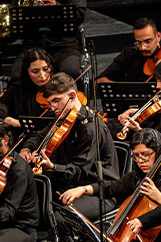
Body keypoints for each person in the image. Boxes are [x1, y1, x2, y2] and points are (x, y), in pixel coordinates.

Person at [20, 72, 120, 219]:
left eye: (56, 101)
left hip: (98, 191)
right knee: (28, 204)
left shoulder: (91, 129)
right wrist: (26, 148)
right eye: (50, 103)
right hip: (71, 184)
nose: (53, 107)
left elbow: (79, 171)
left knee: (60, 217)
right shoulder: (63, 118)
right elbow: (39, 136)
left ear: (72, 96)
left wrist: (52, 167)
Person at [96, 17, 161, 84]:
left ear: (158, 36)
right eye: (138, 42)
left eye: (147, 41)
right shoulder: (129, 54)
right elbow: (100, 80)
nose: (142, 48)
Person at [0, 48, 53, 129]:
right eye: (35, 71)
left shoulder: (59, 85)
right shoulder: (18, 88)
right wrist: (11, 121)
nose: (42, 75)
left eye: (45, 69)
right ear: (27, 72)